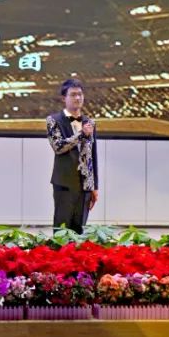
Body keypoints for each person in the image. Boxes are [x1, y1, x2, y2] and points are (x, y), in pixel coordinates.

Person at [47, 77, 99, 233]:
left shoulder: (89, 122)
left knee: (79, 229)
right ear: (64, 98)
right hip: (64, 182)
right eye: (73, 94)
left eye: (80, 94)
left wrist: (94, 185)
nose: (78, 98)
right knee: (62, 229)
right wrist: (81, 134)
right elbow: (58, 147)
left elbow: (92, 155)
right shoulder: (54, 120)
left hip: (85, 185)